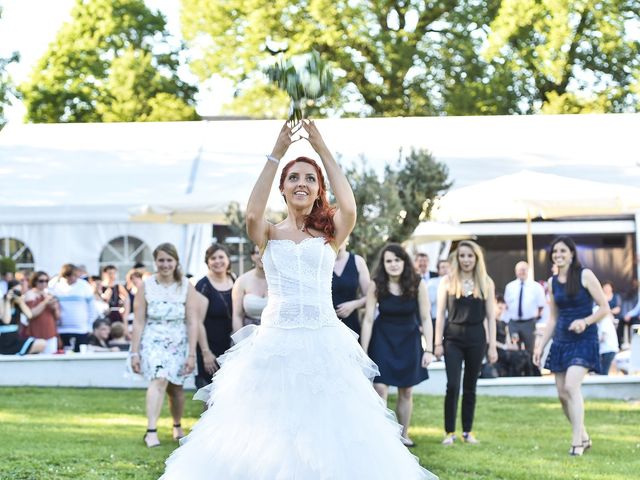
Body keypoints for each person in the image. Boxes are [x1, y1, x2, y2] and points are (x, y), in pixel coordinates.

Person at [159, 120, 437, 479]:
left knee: (329, 425)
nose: (302, 183)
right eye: (294, 178)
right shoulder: (269, 234)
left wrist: (321, 148)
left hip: (324, 339)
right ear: (283, 189)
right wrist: (277, 153)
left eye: (310, 178)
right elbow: (251, 214)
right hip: (276, 340)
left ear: (319, 188)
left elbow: (350, 208)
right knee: (269, 425)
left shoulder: (330, 233)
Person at [533, 236, 610, 456]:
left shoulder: (585, 275)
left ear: (572, 254)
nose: (558, 255)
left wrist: (585, 322)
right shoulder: (552, 282)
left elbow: (604, 308)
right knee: (562, 394)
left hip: (584, 339)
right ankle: (584, 436)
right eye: (555, 252)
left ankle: (576, 442)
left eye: (563, 251)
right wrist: (540, 346)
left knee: (571, 386)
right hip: (561, 341)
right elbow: (553, 319)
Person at [360, 243, 433, 448]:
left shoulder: (417, 283)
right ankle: (382, 435)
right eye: (388, 261)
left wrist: (429, 349)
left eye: (397, 260)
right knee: (380, 388)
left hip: (409, 340)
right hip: (382, 339)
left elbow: (426, 318)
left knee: (406, 391)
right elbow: (368, 320)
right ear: (383, 264)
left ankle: (404, 434)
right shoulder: (377, 284)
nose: (393, 264)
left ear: (404, 262)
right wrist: (364, 351)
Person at [130, 243, 199, 448]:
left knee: (176, 388)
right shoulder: (146, 286)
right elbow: (139, 320)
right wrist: (134, 352)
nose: (165, 264)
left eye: (169, 260)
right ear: (155, 261)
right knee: (159, 379)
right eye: (161, 260)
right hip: (153, 339)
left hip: (179, 340)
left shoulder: (186, 286)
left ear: (176, 262)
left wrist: (192, 354)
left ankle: (177, 425)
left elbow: (192, 321)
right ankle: (151, 431)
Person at [434, 240, 497, 446]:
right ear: (457, 258)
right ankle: (449, 432)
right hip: (452, 339)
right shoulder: (447, 281)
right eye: (462, 255)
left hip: (476, 339)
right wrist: (437, 343)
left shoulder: (486, 282)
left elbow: (491, 318)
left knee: (470, 386)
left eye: (470, 256)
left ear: (476, 258)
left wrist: (493, 346)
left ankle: (467, 432)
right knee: (453, 385)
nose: (466, 259)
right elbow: (440, 315)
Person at [194, 243, 234, 389]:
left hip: (230, 347)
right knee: (210, 394)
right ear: (208, 262)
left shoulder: (234, 280)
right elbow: (197, 322)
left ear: (228, 260)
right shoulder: (203, 285)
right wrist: (206, 353)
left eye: (221, 257)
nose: (218, 261)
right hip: (209, 348)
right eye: (213, 258)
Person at [503, 261, 546, 365]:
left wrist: (536, 318)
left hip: (529, 323)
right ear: (515, 271)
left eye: (524, 269)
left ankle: (531, 372)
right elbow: (506, 304)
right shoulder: (510, 287)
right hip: (514, 323)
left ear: (528, 271)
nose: (521, 272)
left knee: (530, 349)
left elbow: (541, 305)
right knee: (514, 349)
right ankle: (516, 373)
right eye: (519, 270)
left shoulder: (536, 287)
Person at [50, 264, 95, 352]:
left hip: (81, 330)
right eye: (69, 276)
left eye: (74, 275)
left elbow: (92, 309)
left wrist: (89, 326)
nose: (72, 278)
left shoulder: (85, 286)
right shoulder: (56, 287)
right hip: (62, 331)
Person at [331, 239, 370, 335]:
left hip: (351, 324)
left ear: (347, 239)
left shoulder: (358, 261)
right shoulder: (320, 263)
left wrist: (354, 305)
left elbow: (370, 296)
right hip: (328, 326)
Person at [1, 282, 46, 355]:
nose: (16, 294)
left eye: (19, 291)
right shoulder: (2, 302)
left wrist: (21, 302)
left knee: (42, 344)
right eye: (15, 291)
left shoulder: (18, 303)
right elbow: (6, 320)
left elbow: (29, 315)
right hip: (4, 339)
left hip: (15, 337)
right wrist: (8, 301)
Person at [231, 244, 267, 332]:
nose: (262, 256)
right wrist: (241, 341)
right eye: (258, 253)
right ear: (252, 257)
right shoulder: (241, 281)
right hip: (248, 335)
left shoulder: (280, 281)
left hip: (274, 334)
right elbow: (237, 316)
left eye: (265, 252)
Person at [24, 271, 60, 354]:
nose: (44, 283)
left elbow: (58, 317)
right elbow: (31, 314)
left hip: (51, 333)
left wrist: (55, 307)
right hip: (35, 334)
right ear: (35, 281)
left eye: (46, 281)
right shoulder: (30, 295)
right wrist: (45, 302)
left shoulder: (50, 294)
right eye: (41, 281)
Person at [428, 259, 450, 341]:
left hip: (451, 320)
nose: (446, 269)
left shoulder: (456, 282)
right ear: (438, 270)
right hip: (436, 319)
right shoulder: (432, 282)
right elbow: (431, 300)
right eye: (443, 267)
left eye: (448, 267)